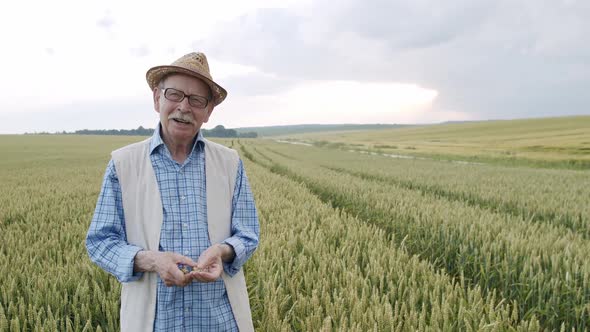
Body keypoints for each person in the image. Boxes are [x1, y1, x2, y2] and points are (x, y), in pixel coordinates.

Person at [86, 52, 259, 332]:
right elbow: (100, 242)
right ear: (157, 99)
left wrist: (222, 251)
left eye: (196, 100)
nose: (184, 107)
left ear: (208, 111)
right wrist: (153, 260)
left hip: (220, 321)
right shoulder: (123, 164)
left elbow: (248, 235)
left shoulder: (229, 163)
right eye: (174, 94)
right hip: (153, 323)